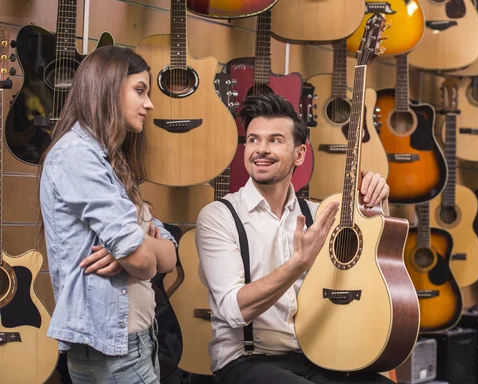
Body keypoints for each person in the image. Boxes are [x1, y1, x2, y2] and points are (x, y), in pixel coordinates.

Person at [196, 92, 394, 384]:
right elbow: (234, 310)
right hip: (247, 361)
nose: (260, 150)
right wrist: (300, 262)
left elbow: (377, 261)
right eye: (253, 139)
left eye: (275, 140)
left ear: (299, 154)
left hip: (320, 357)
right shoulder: (219, 217)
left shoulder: (319, 214)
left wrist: (378, 200)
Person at [38, 46, 177, 384]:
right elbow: (144, 263)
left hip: (130, 343)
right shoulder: (77, 157)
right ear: (108, 88)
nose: (150, 104)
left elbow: (168, 255)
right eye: (140, 90)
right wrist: (138, 251)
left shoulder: (110, 161)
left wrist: (135, 249)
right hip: (115, 351)